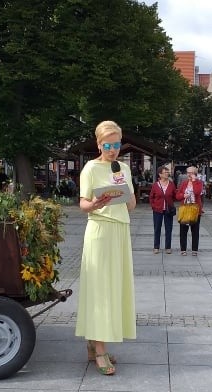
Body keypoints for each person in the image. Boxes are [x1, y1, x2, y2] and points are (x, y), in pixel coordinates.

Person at [75, 120, 137, 376]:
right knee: (100, 287)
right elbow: (83, 204)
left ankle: (94, 344)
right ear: (99, 144)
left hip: (120, 230)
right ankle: (100, 350)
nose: (113, 150)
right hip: (100, 230)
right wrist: (97, 204)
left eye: (117, 144)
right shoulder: (90, 168)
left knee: (115, 287)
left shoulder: (122, 168)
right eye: (108, 145)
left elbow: (131, 205)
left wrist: (124, 187)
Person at [175, 166, 204, 256]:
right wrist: (183, 196)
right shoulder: (184, 183)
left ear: (195, 173)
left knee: (195, 230)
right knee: (183, 230)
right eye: (188, 172)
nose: (188, 174)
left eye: (190, 173)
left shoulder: (199, 183)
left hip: (195, 209)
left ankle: (194, 250)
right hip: (185, 209)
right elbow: (178, 195)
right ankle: (183, 249)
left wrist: (194, 181)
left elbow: (197, 192)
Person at [149, 166, 176, 254]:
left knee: (169, 229)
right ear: (160, 174)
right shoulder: (155, 185)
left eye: (168, 172)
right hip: (158, 210)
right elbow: (151, 197)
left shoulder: (171, 184)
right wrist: (154, 206)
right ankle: (156, 247)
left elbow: (175, 196)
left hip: (168, 210)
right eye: (165, 172)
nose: (167, 174)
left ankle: (168, 247)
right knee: (157, 228)